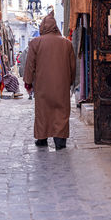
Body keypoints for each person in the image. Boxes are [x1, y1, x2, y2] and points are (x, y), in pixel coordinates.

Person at [23, 11, 76, 150]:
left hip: (43, 86)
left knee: (43, 111)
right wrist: (70, 82)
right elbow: (72, 66)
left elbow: (30, 65)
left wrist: (28, 81)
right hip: (61, 86)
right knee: (61, 111)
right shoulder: (67, 43)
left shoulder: (35, 43)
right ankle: (60, 141)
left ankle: (42, 138)